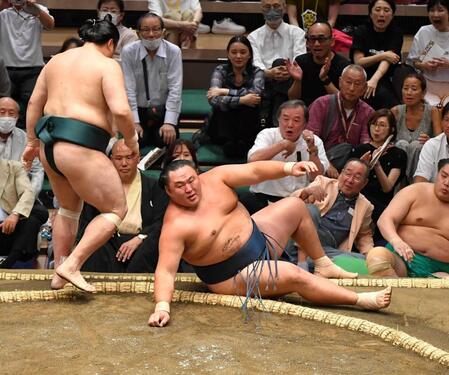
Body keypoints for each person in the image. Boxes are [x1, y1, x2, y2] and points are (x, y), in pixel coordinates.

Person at [148, 159, 392, 327]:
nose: (190, 189)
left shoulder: (215, 179)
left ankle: (323, 263)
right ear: (169, 191)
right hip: (234, 274)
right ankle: (359, 299)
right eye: (180, 186)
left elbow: (254, 171)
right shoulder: (175, 226)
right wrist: (162, 307)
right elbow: (166, 271)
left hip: (260, 238)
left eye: (192, 180)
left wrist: (288, 167)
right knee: (293, 274)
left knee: (296, 206)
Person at [22, 18, 139, 292]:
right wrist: (131, 139)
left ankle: (59, 274)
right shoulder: (107, 65)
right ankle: (72, 264)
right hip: (79, 145)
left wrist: (31, 142)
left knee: (68, 209)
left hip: (50, 145)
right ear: (111, 43)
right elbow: (121, 110)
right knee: (115, 209)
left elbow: (33, 103)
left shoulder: (57, 60)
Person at [81, 139, 168, 273]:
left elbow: (162, 221)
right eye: (119, 158)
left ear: (138, 158)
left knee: (153, 243)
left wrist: (140, 238)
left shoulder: (154, 187)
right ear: (111, 160)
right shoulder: (99, 187)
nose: (124, 163)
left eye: (129, 157)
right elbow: (87, 221)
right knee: (94, 245)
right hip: (108, 240)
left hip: (141, 241)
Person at [241, 99, 328, 214]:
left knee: (313, 212)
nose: (290, 124)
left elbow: (316, 177)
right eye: (285, 119)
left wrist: (312, 150)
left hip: (296, 200)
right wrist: (283, 144)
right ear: (278, 120)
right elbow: (252, 160)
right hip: (262, 196)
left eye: (296, 120)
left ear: (305, 124)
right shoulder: (267, 134)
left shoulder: (314, 141)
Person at [366, 158, 449, 278]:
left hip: (442, 270)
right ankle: (396, 293)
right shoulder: (416, 191)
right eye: (444, 176)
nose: (447, 182)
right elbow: (385, 219)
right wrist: (396, 241)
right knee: (377, 257)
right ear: (437, 174)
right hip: (402, 260)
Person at [291, 159, 374, 262]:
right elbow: (292, 204)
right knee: (311, 210)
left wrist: (371, 254)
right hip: (304, 237)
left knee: (364, 261)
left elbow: (364, 235)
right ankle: (302, 261)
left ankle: (311, 261)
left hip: (327, 250)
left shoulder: (366, 206)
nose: (350, 180)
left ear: (364, 183)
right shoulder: (323, 183)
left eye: (357, 178)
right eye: (348, 174)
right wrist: (306, 192)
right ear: (341, 173)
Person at [121, 12, 182, 148]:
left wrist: (169, 123)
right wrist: (134, 122)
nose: (151, 34)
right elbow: (128, 89)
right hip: (138, 110)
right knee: (136, 142)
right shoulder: (128, 52)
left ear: (163, 32)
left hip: (163, 109)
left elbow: (175, 88)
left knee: (166, 141)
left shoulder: (174, 51)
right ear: (138, 33)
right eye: (146, 30)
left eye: (156, 29)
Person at [306, 64, 373, 177]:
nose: (352, 88)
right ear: (340, 81)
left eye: (357, 84)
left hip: (351, 168)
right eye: (348, 82)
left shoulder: (368, 112)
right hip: (321, 161)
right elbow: (311, 140)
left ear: (365, 87)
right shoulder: (321, 104)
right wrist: (327, 165)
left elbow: (365, 145)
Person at [248, 0, 306, 127]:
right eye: (267, 7)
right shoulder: (253, 37)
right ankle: (278, 118)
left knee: (280, 63)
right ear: (261, 9)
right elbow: (255, 64)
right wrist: (269, 73)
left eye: (276, 6)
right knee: (265, 72)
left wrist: (289, 71)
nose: (272, 10)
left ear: (284, 7)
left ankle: (273, 117)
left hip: (291, 81)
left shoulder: (297, 33)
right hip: (264, 83)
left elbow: (300, 60)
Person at [206, 35, 264, 158]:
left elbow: (255, 95)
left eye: (243, 52)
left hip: (248, 126)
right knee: (223, 108)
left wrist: (224, 91)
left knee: (248, 109)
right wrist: (242, 100)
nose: (238, 56)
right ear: (228, 54)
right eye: (234, 52)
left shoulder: (257, 72)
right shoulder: (220, 70)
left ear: (249, 55)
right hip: (223, 126)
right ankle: (229, 142)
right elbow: (213, 99)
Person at [350, 109, 406, 235]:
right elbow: (348, 181)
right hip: (358, 197)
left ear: (391, 129)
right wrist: (362, 165)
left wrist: (377, 165)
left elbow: (387, 187)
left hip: (381, 202)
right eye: (374, 124)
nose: (376, 129)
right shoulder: (359, 150)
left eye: (382, 125)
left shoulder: (398, 154)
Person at [0, 0, 55, 128]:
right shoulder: (3, 11)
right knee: (5, 108)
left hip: (33, 69)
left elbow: (50, 25)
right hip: (6, 69)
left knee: (32, 108)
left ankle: (29, 140)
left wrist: (35, 9)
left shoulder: (38, 9)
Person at [350, 0, 402, 110]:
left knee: (389, 101)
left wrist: (374, 80)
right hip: (361, 75)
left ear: (392, 15)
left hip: (384, 77)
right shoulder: (361, 31)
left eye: (386, 10)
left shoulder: (396, 32)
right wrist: (383, 55)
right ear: (370, 13)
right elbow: (359, 61)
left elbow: (389, 60)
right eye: (377, 10)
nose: (381, 14)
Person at [392, 73, 442, 183]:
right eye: (405, 88)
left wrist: (430, 141)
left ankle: (414, 185)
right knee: (402, 144)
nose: (409, 92)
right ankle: (401, 183)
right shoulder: (395, 111)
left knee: (417, 146)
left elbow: (439, 141)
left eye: (414, 89)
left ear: (423, 93)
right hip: (396, 168)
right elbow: (386, 139)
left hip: (423, 166)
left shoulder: (433, 111)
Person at [287, 21, 350, 106]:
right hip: (306, 112)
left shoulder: (344, 66)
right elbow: (293, 99)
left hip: (332, 112)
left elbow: (344, 102)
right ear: (307, 43)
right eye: (312, 39)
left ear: (332, 41)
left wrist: (325, 79)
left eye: (321, 39)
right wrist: (298, 81)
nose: (316, 44)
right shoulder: (301, 62)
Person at [0, 159, 44, 268]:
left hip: (11, 230)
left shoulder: (14, 168)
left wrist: (15, 214)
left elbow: (28, 192)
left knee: (37, 215)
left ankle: (9, 262)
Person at [406, 0, 449, 106]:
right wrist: (423, 65)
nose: (435, 14)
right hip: (427, 87)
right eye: (432, 10)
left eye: (440, 10)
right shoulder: (424, 32)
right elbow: (413, 61)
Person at [0, 97, 44, 195]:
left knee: (40, 211)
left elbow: (37, 170)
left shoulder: (26, 139)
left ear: (17, 117)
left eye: (11, 114)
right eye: (2, 112)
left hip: (18, 194)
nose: (6, 117)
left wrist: (29, 196)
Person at [414, 103, 449, 183]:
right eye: (447, 120)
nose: (448, 125)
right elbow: (420, 180)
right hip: (434, 193)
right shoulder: (432, 145)